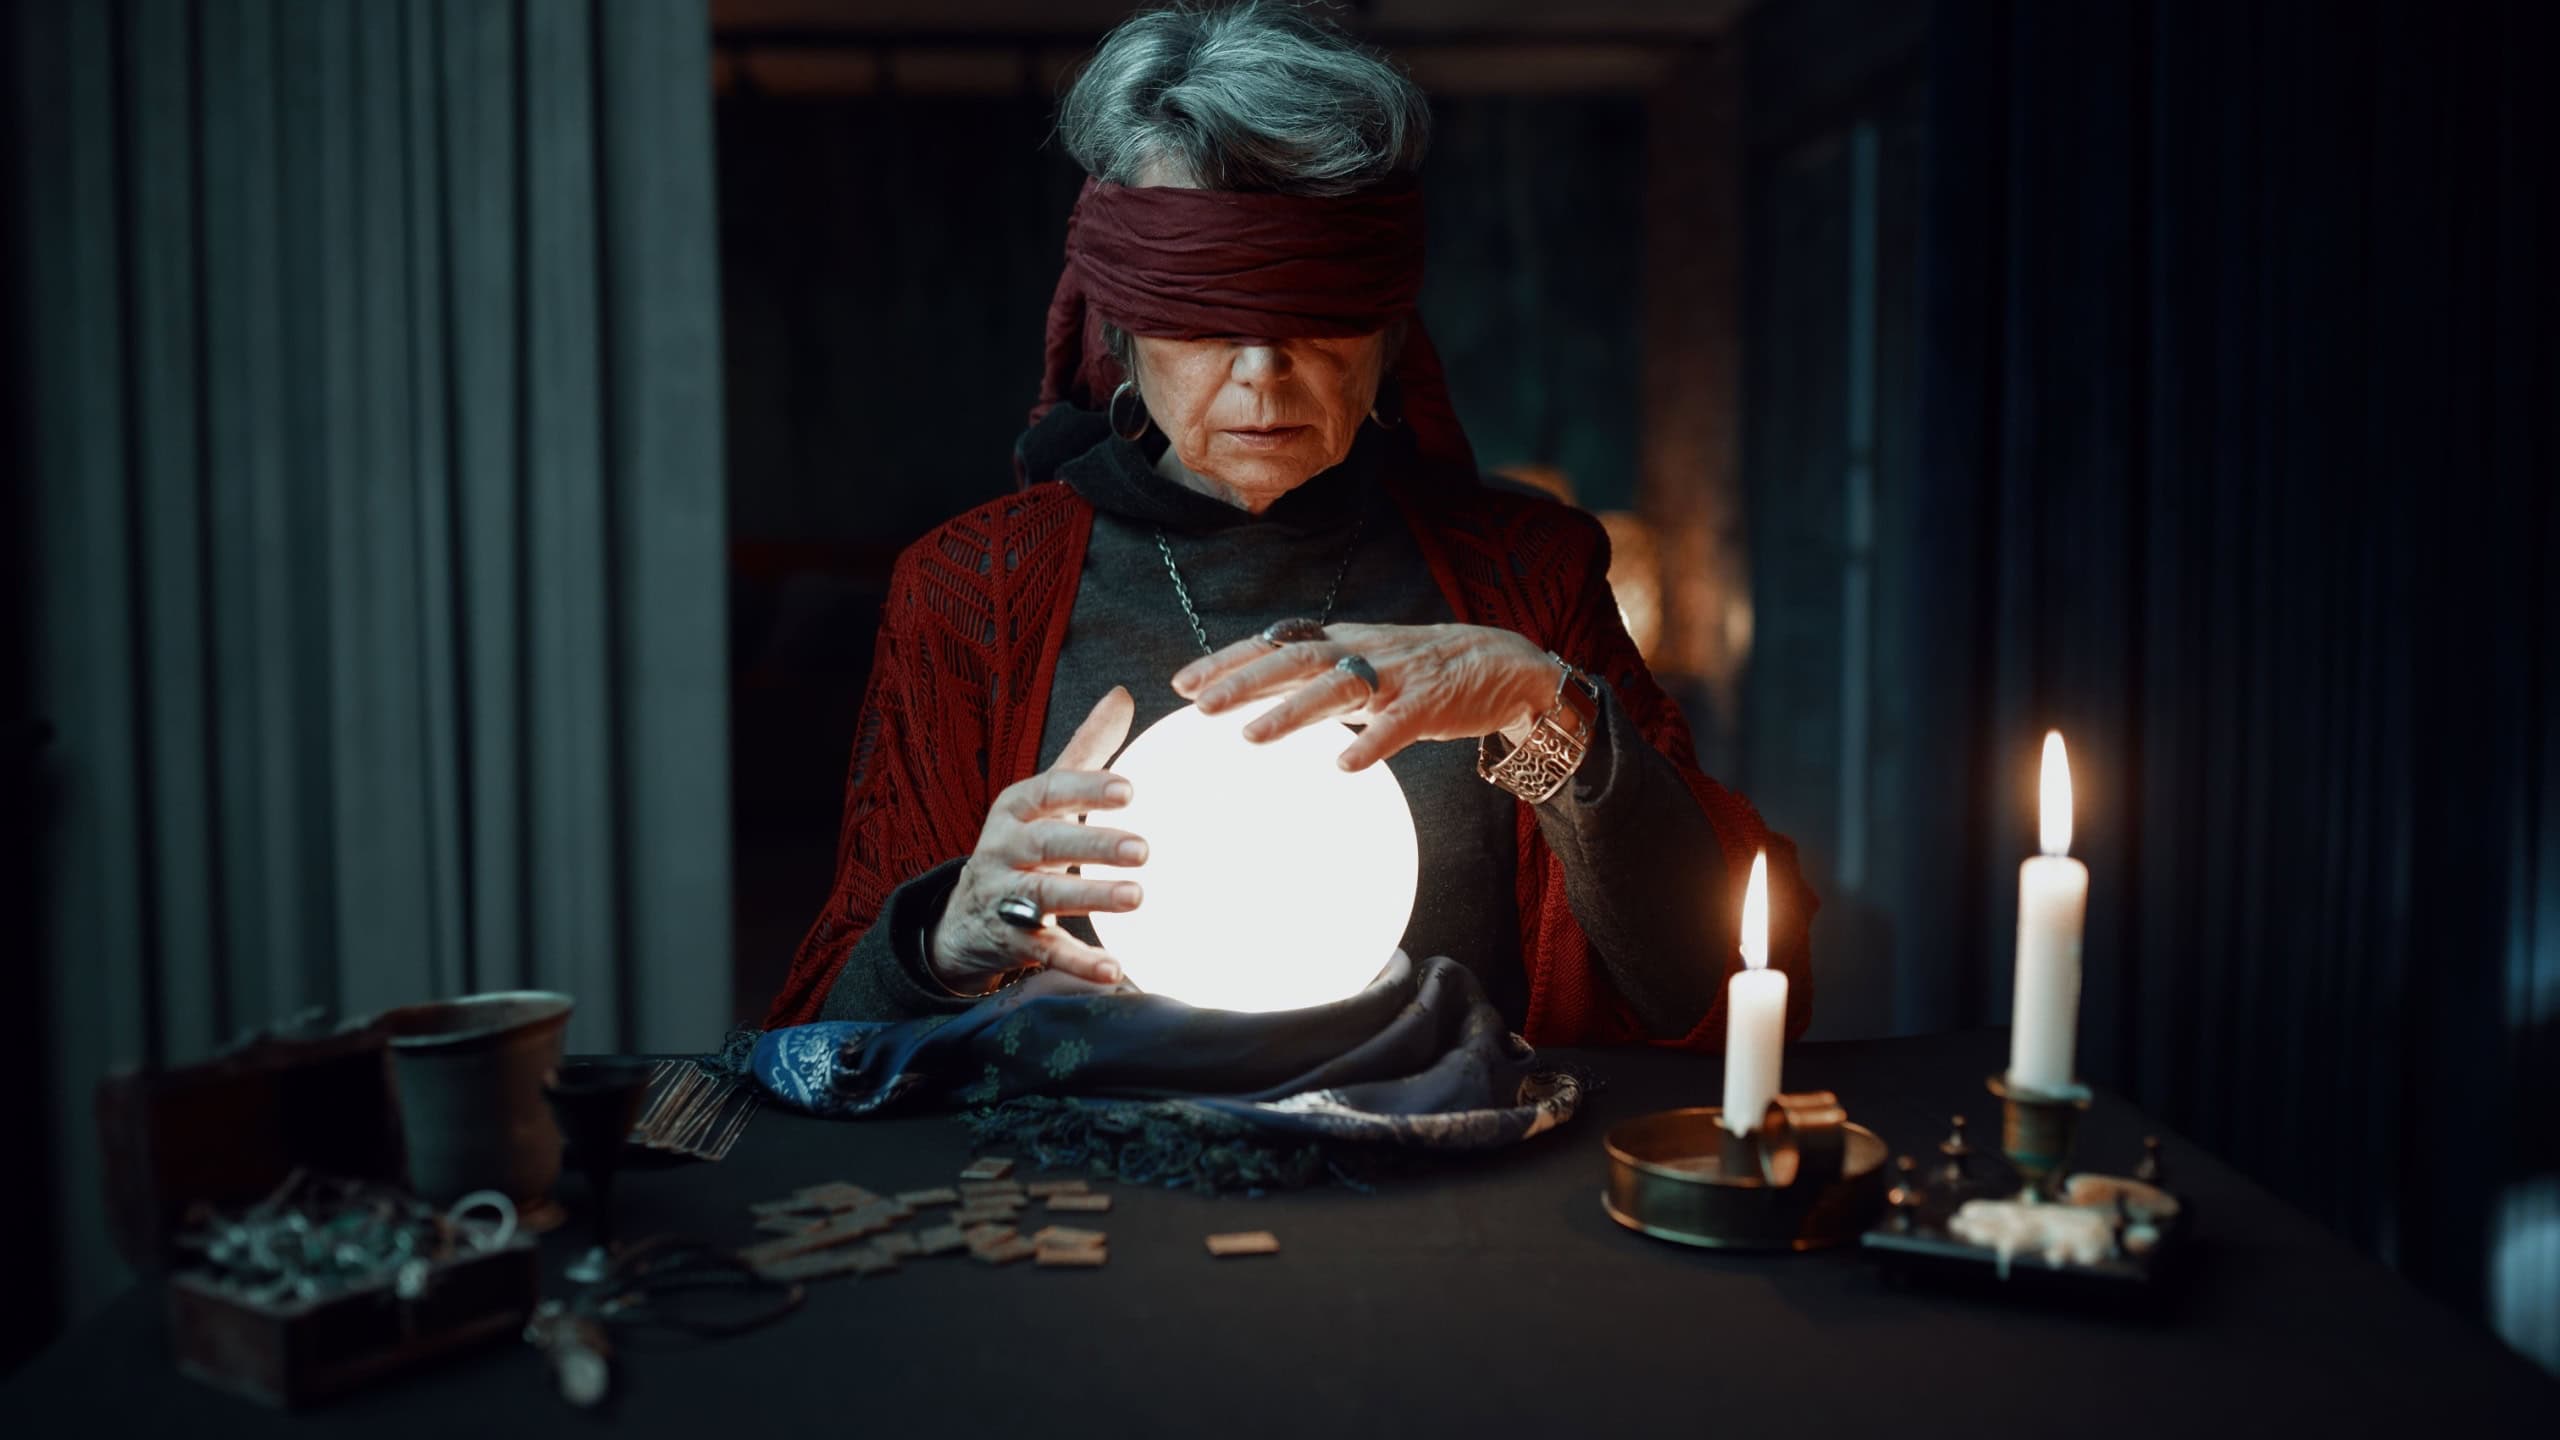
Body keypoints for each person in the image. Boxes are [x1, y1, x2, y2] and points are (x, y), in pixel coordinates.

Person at [764, 2, 1815, 1049]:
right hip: (1088, 1193)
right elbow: (826, 1036)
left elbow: (1710, 987)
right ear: (1122, 329)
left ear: (1388, 332)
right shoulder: (971, 590)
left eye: (1314, 317)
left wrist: (1549, 710)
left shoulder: (1526, 575)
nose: (1263, 374)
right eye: (1203, 319)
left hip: (1457, 1187)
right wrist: (947, 937)